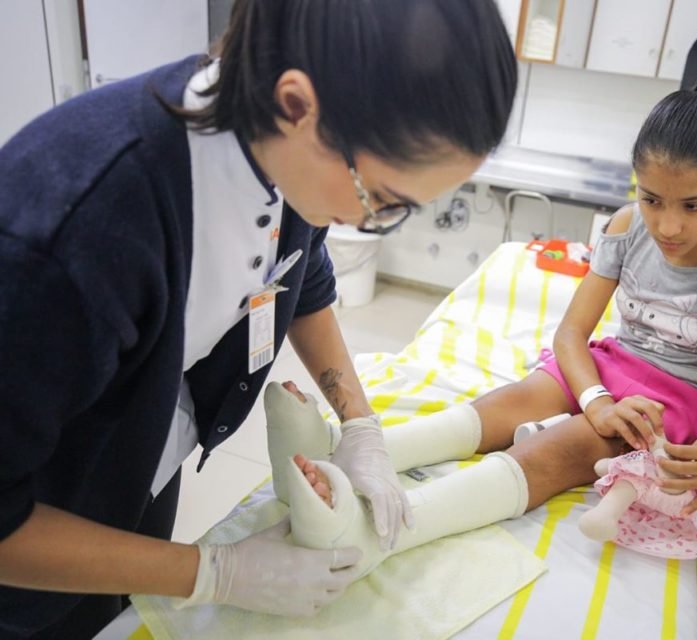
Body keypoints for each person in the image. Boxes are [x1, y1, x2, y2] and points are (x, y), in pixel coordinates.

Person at [0, 0, 517, 637]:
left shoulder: (275, 146)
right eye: (378, 199)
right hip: (34, 537)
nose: (369, 221)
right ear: (298, 104)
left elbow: (302, 280)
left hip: (137, 460)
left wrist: (360, 423)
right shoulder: (73, 234)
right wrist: (215, 573)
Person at [265, 78, 697, 578]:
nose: (668, 226)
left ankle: (381, 533)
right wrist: (597, 397)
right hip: (611, 365)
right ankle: (340, 450)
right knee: (511, 401)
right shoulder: (629, 226)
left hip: (671, 407)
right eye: (652, 199)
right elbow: (570, 337)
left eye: (692, 206)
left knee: (565, 447)